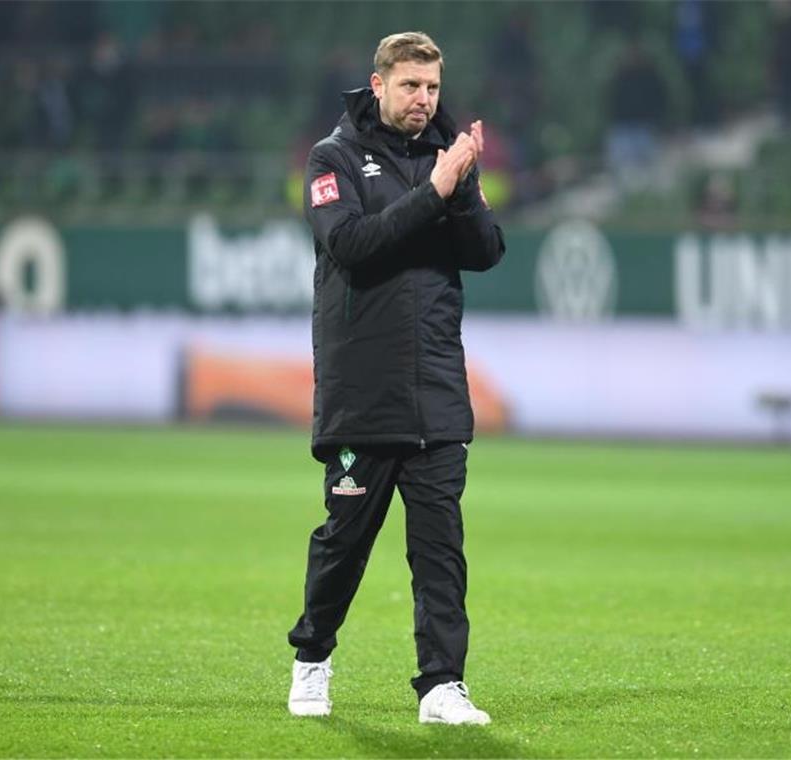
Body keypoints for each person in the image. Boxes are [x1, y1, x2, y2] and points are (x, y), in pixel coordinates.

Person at [286, 31, 505, 725]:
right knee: (345, 540)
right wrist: (435, 190)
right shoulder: (334, 158)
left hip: (436, 385)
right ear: (378, 84)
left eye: (433, 87)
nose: (424, 99)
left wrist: (461, 187)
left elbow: (487, 253)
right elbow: (350, 245)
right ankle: (312, 658)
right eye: (411, 86)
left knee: (440, 546)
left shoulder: (447, 159)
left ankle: (442, 684)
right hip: (363, 387)